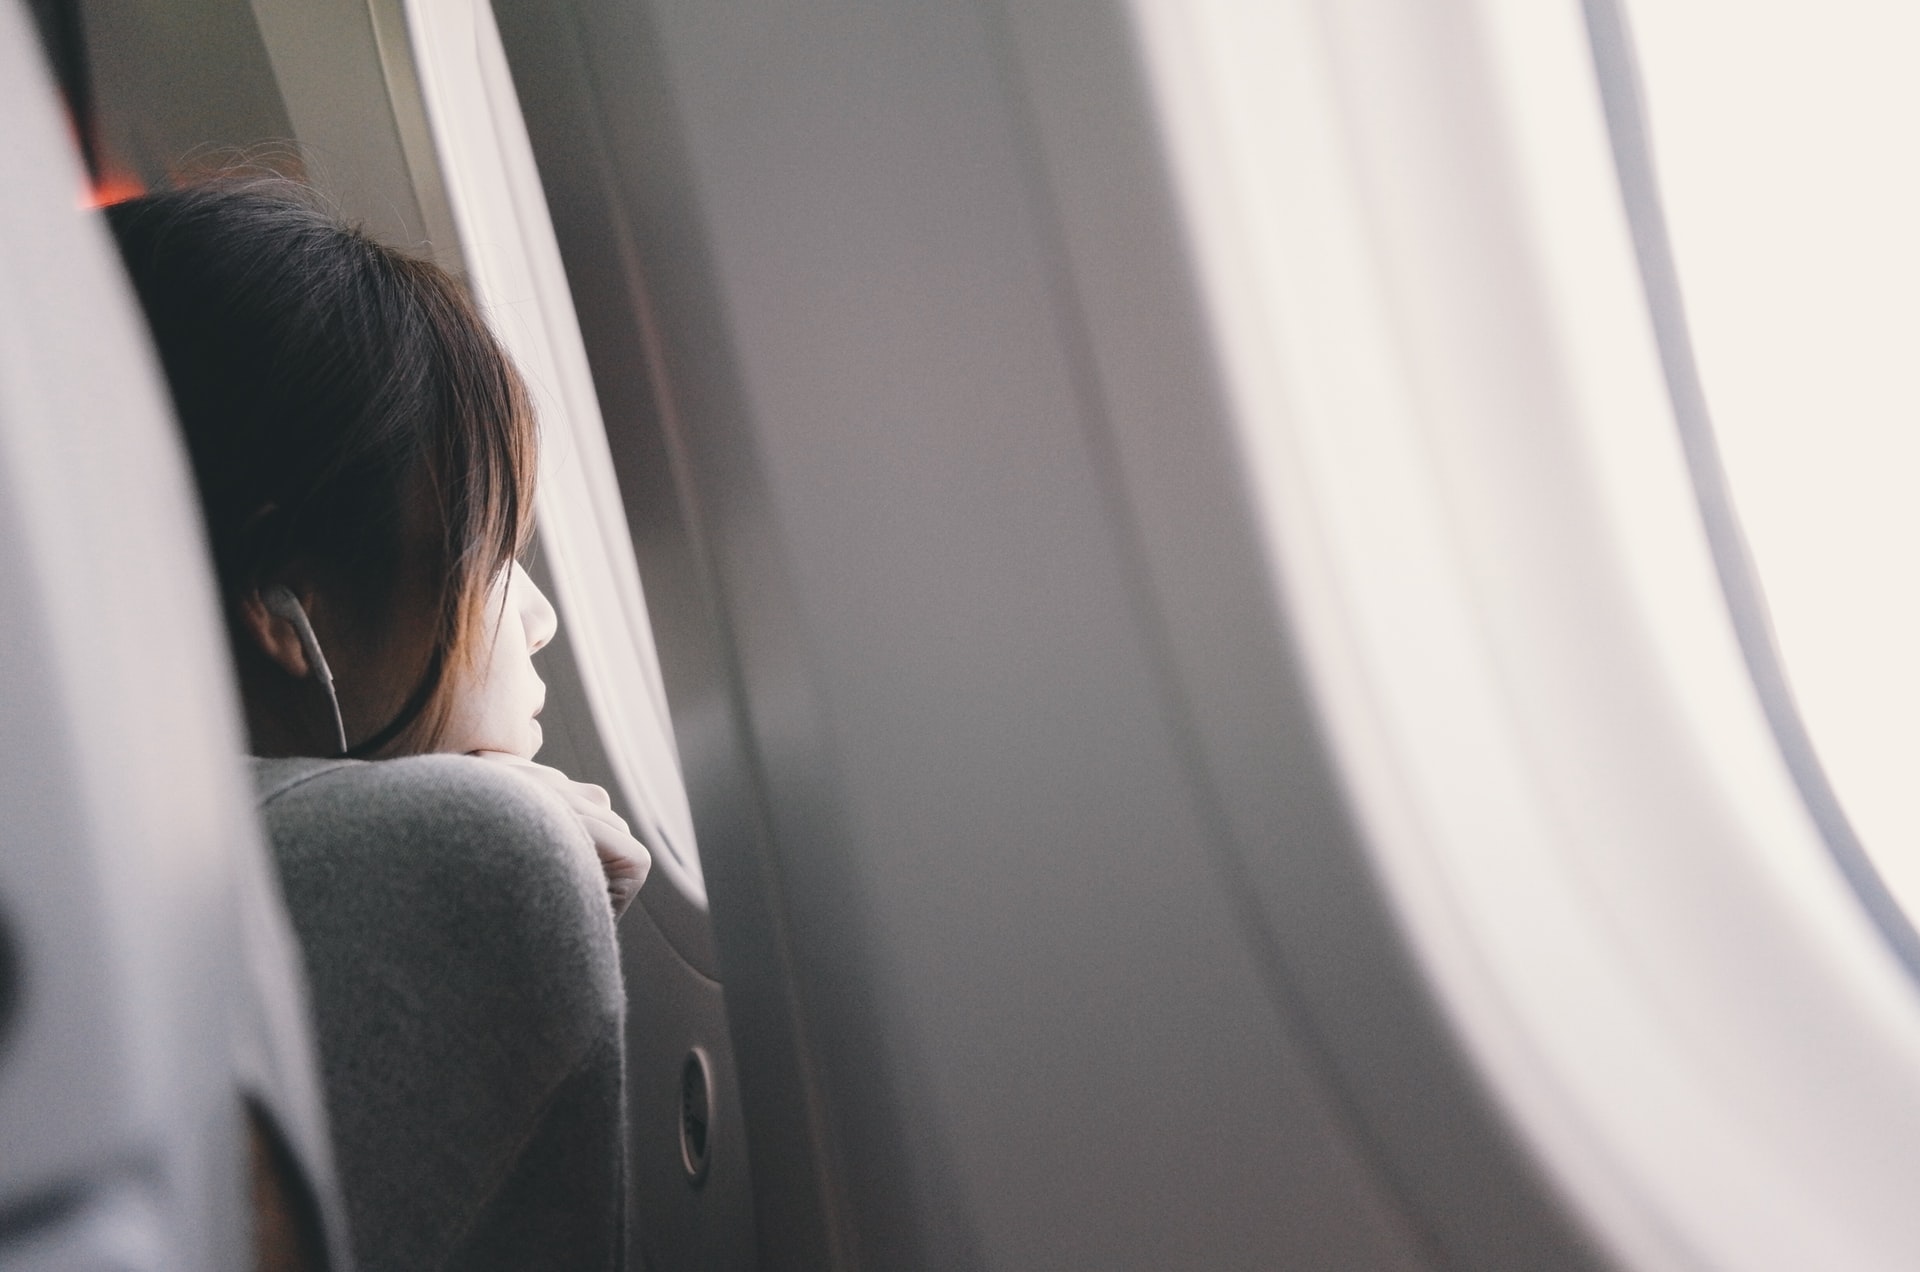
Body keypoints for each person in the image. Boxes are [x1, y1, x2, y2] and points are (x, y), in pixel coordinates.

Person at [109, 179, 648, 1271]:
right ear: (280, 603)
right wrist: (490, 838)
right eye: (490, 559)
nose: (537, 620)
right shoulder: (469, 856)